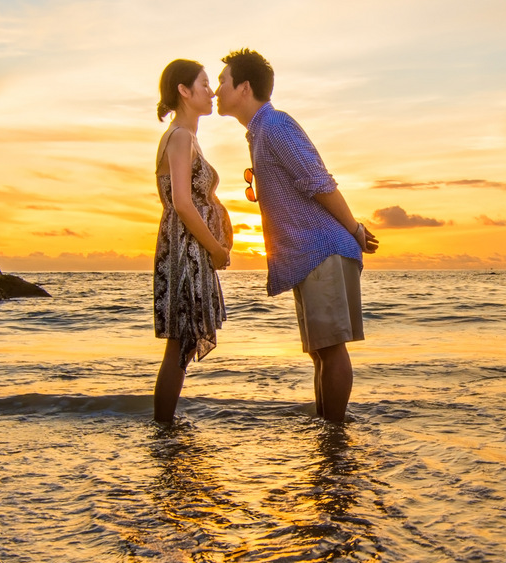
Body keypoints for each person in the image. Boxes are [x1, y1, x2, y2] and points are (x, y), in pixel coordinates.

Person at [215, 48, 378, 422]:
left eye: (223, 81)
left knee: (331, 350)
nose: (217, 90)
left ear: (244, 87)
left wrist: (354, 229)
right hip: (308, 255)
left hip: (323, 249)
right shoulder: (259, 132)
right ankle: (327, 433)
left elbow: (318, 181)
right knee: (320, 351)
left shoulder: (275, 126)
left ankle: (334, 439)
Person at [152, 58, 232, 423]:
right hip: (185, 249)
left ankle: (165, 430)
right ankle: (164, 430)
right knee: (179, 345)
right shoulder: (181, 136)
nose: (211, 91)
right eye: (203, 84)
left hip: (188, 247)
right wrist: (215, 248)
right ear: (184, 91)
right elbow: (182, 202)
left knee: (181, 346)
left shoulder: (185, 136)